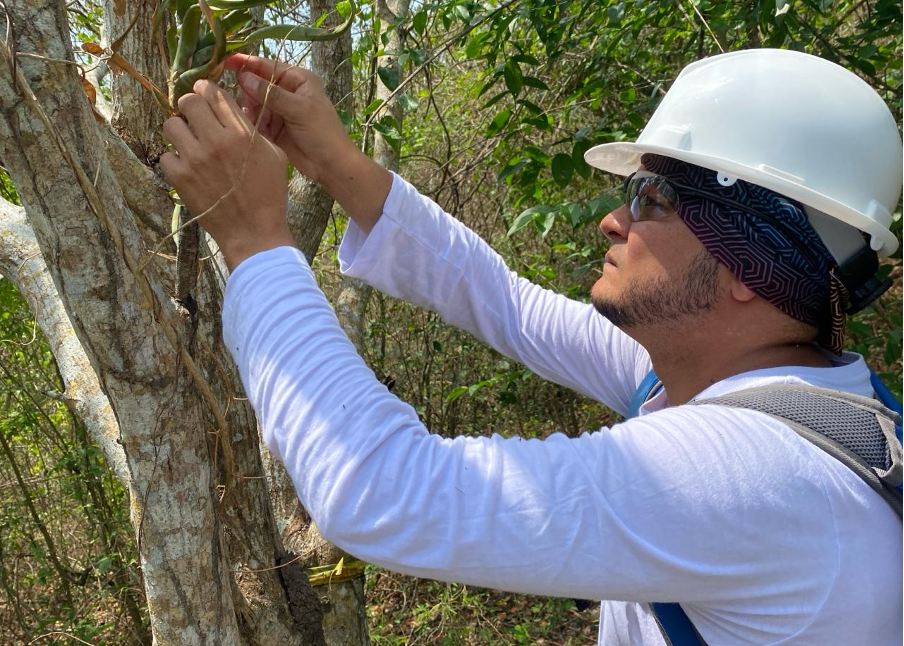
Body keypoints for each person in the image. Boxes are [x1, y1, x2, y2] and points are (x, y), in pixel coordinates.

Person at [160, 48, 903, 645]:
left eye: (653, 199)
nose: (615, 220)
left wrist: (254, 239)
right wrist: (337, 165)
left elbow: (384, 490)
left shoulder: (751, 476)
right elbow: (507, 304)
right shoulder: (767, 391)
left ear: (750, 265)